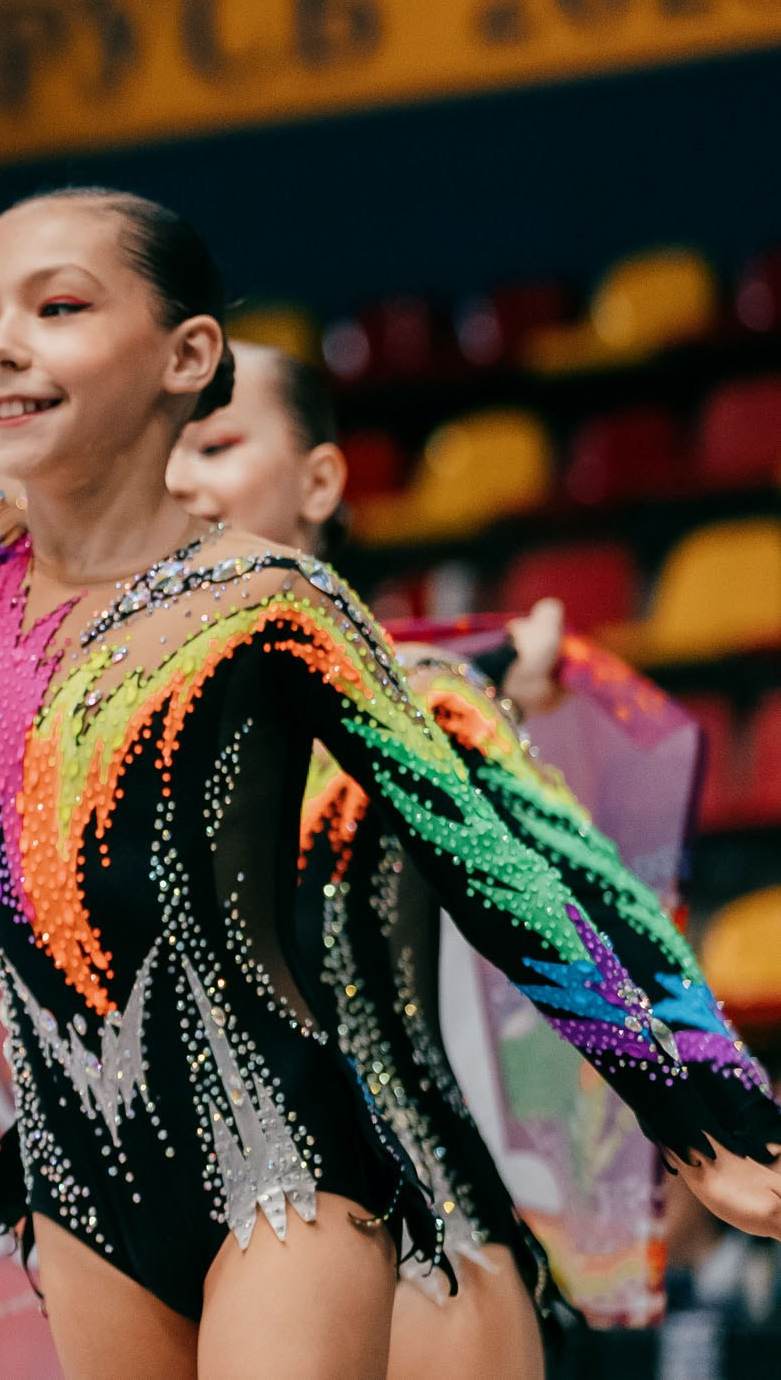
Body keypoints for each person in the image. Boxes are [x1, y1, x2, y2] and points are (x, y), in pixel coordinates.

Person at [0, 0, 781, 1380]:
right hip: (80, 1183)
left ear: (189, 357)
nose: (0, 345)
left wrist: (690, 1110)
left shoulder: (265, 598)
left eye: (59, 307)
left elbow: (488, 859)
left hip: (284, 1160)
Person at [170, 343, 773, 1377]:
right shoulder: (126, 727)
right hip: (192, 1239)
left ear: (320, 480)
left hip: (416, 1236)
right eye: (163, 453)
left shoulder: (419, 697)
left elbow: (592, 897)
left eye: (216, 445)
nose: (180, 479)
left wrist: (722, 1114)